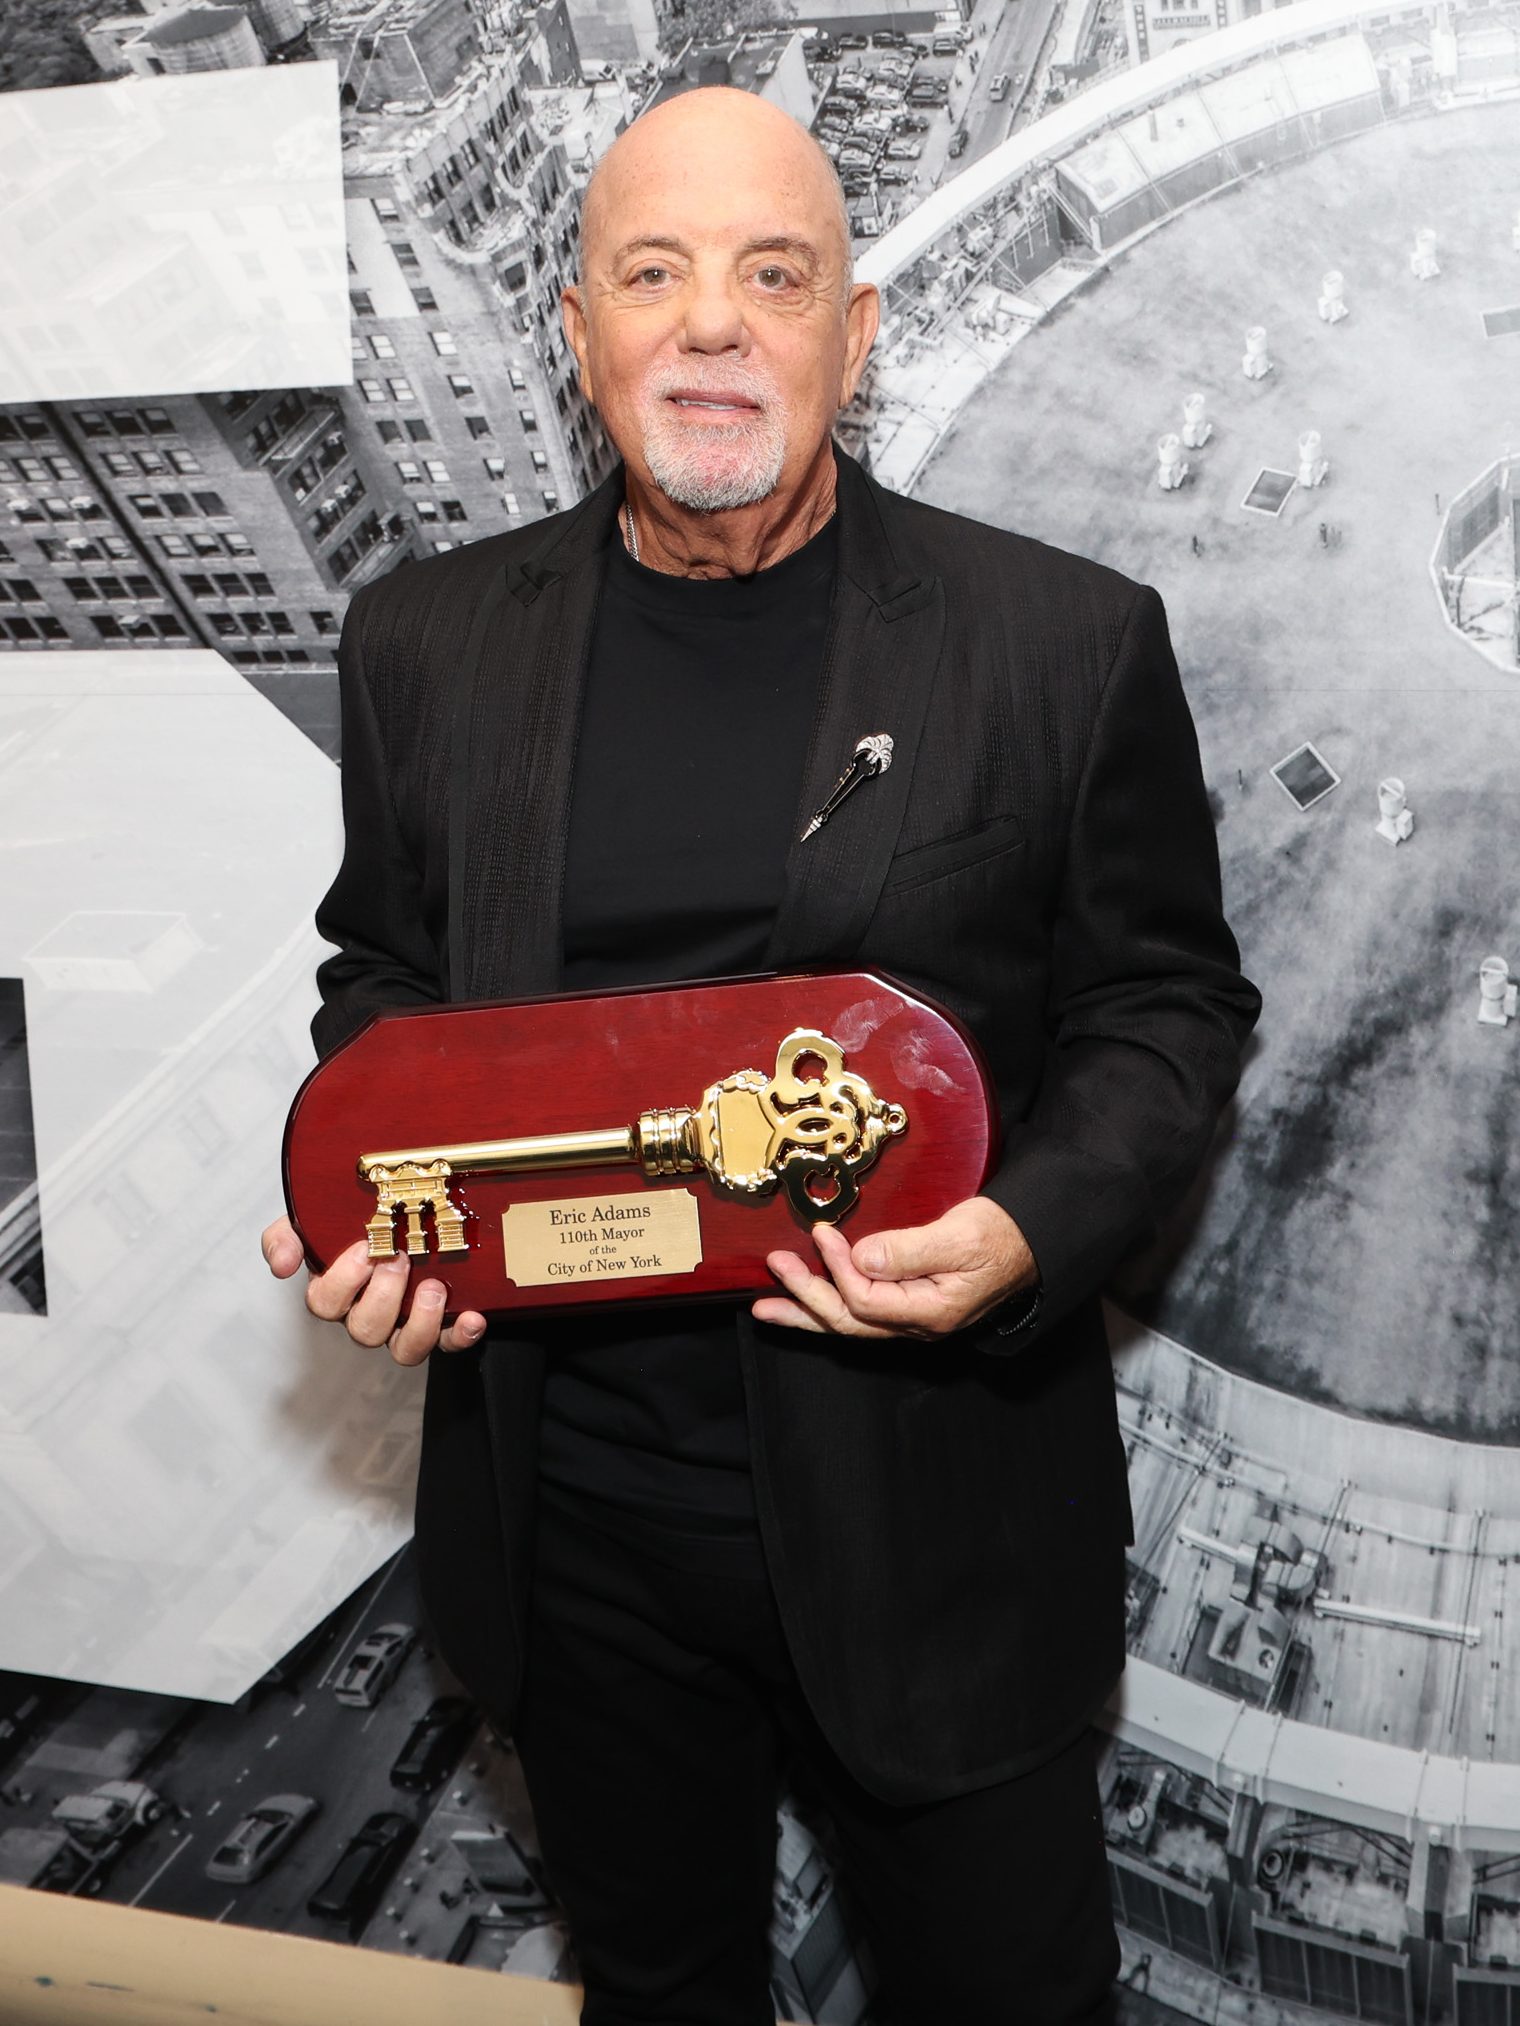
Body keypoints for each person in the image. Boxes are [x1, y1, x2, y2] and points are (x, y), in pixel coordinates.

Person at [262, 86, 1259, 2024]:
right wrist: (386, 1190)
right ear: (577, 333)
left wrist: (1031, 1233)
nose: (711, 321)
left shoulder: (1058, 638)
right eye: (655, 272)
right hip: (573, 1534)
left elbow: (1167, 1004)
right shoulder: (423, 642)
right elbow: (382, 968)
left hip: (940, 1522)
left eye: (771, 273)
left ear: (852, 332)